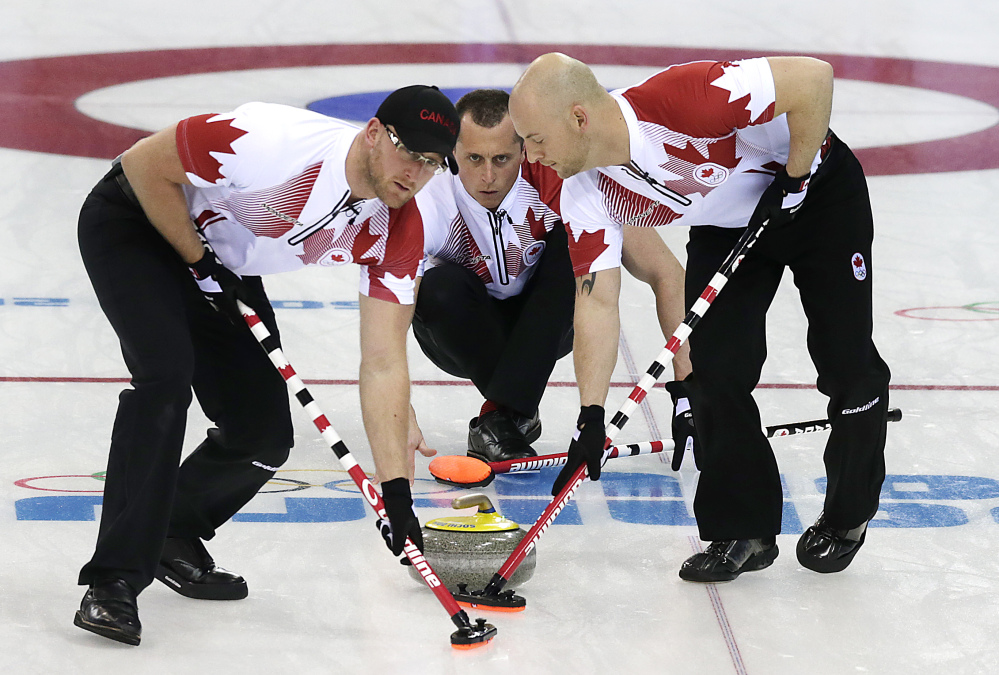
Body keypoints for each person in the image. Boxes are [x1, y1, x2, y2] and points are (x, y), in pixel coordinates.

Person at [74, 85, 459, 645]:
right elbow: (142, 166)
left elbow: (382, 363)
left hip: (218, 263)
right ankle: (112, 581)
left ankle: (173, 531)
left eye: (430, 164)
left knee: (262, 432)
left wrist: (395, 494)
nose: (415, 174)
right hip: (138, 221)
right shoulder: (268, 144)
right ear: (374, 133)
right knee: (165, 377)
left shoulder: (399, 226)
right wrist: (199, 261)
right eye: (408, 152)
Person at [509, 53, 891, 582]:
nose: (528, 155)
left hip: (815, 195)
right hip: (728, 224)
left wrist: (797, 180)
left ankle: (849, 514)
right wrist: (590, 417)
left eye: (535, 138)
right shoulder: (583, 190)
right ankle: (745, 528)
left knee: (845, 360)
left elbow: (812, 79)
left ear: (578, 118)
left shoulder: (686, 98)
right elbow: (596, 300)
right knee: (711, 369)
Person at [407, 89, 692, 464]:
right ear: (451, 154)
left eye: (502, 159)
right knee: (437, 287)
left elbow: (667, 273)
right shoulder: (428, 198)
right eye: (474, 158)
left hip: (548, 323)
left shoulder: (565, 181)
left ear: (525, 150)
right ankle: (510, 409)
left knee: (575, 245)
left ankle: (500, 416)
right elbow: (389, 306)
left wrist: (689, 392)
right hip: (458, 330)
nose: (488, 176)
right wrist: (399, 410)